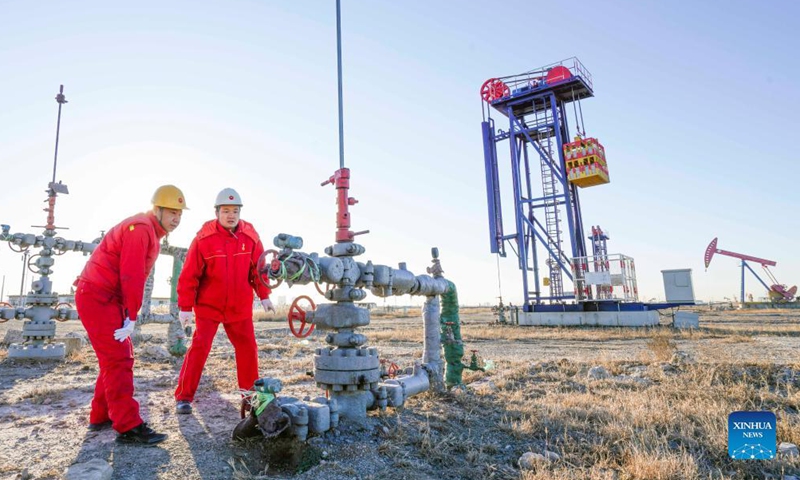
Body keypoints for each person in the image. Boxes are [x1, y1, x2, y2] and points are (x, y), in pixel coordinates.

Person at [75, 185, 188, 445]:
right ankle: (128, 426)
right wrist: (132, 314)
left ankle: (101, 415)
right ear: (156, 210)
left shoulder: (149, 231)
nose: (176, 219)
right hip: (99, 297)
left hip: (102, 297)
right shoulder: (141, 230)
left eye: (179, 214)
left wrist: (127, 311)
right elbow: (131, 275)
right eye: (171, 212)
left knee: (114, 358)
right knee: (119, 359)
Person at [174, 188, 274, 415]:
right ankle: (184, 397)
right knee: (200, 348)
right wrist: (185, 307)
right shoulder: (203, 239)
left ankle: (250, 399)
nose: (231, 215)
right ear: (217, 212)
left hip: (239, 307)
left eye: (235, 211)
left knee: (248, 349)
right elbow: (190, 274)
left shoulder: (250, 237)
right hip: (209, 306)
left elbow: (258, 270)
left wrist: (265, 295)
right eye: (226, 210)